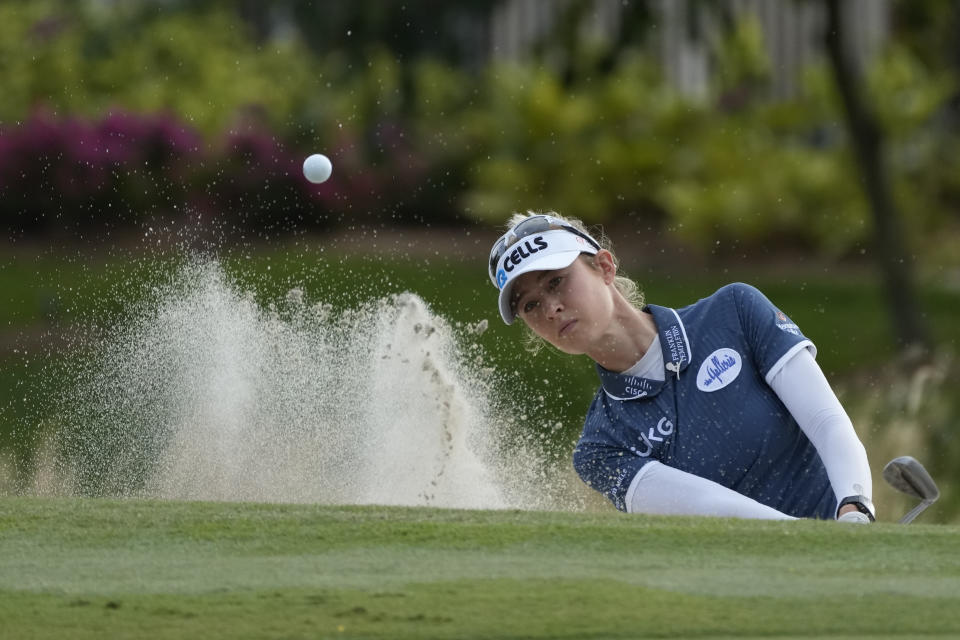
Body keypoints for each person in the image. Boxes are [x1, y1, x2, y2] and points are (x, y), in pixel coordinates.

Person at [488, 212, 875, 522]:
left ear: (605, 268)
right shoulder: (600, 448)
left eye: (556, 282)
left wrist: (855, 508)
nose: (550, 309)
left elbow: (827, 422)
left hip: (844, 529)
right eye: (530, 306)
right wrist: (815, 542)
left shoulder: (735, 314)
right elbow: (710, 509)